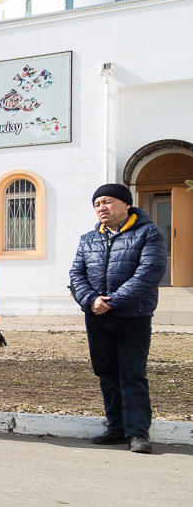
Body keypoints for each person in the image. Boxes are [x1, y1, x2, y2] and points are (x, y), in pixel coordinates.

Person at [68, 183, 167, 454]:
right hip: (97, 317)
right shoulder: (88, 238)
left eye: (107, 201)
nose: (102, 207)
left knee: (132, 375)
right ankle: (117, 427)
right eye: (97, 203)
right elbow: (76, 275)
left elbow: (149, 272)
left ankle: (138, 434)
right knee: (106, 373)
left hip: (132, 317)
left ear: (126, 204)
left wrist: (112, 302)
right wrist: (91, 301)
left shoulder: (148, 233)